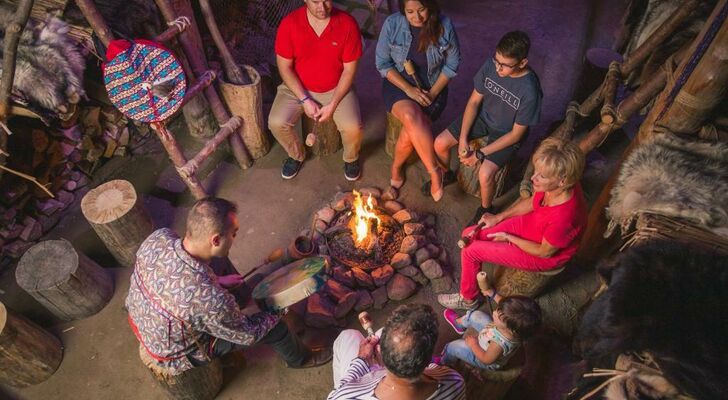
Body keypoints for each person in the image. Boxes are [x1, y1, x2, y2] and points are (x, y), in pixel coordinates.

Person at [125, 197, 332, 375]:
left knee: (219, 261)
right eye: (234, 233)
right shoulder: (209, 299)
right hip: (175, 351)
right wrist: (278, 311)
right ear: (215, 239)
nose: (235, 238)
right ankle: (299, 360)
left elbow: (179, 280)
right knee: (275, 330)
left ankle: (241, 299)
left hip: (147, 314)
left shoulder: (159, 237)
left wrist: (218, 281)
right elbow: (247, 333)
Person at [438, 138, 587, 310]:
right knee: (469, 233)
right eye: (536, 171)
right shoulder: (555, 187)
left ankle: (468, 298)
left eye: (542, 176)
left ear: (562, 181)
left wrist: (509, 238)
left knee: (471, 251)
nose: (533, 178)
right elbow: (533, 202)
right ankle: (472, 286)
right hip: (534, 224)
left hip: (540, 252)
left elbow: (544, 252)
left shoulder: (565, 217)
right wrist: (499, 217)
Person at [428, 31, 542, 222]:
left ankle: (486, 208)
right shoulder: (491, 66)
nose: (498, 68)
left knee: (485, 173)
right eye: (497, 61)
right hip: (483, 118)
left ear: (522, 63)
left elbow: (516, 135)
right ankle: (446, 174)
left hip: (506, 132)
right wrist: (463, 138)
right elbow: (473, 103)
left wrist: (480, 154)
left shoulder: (530, 90)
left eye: (504, 65)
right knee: (439, 143)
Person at [268, 0, 364, 181]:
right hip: (297, 87)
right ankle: (296, 155)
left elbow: (349, 70)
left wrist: (333, 103)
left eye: (326, 0)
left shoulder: (347, 23)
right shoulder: (289, 24)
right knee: (276, 122)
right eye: (315, 1)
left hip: (336, 88)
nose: (322, 7)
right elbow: (284, 68)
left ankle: (351, 158)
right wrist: (304, 99)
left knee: (353, 127)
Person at [375, 0, 460, 201]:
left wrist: (432, 93)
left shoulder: (444, 25)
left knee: (409, 130)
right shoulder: (393, 24)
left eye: (421, 10)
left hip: (433, 87)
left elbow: (452, 64)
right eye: (410, 12)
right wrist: (409, 89)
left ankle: (396, 167)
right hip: (399, 85)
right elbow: (383, 64)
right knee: (410, 116)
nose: (417, 17)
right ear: (403, 10)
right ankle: (434, 171)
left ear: (430, 6)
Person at [327, 304, 465, 399]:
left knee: (349, 335)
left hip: (368, 379)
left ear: (380, 352)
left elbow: (339, 391)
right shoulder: (454, 382)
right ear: (428, 360)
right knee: (382, 332)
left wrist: (362, 360)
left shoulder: (346, 396)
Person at [440, 295, 541, 370]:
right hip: (490, 333)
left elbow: (487, 359)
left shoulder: (499, 343)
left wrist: (474, 344)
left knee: (453, 347)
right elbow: (506, 306)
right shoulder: (517, 328)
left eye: (499, 316)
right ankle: (460, 325)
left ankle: (444, 362)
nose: (494, 312)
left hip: (484, 353)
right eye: (499, 309)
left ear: (510, 329)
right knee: (475, 315)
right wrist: (492, 293)